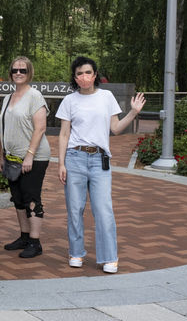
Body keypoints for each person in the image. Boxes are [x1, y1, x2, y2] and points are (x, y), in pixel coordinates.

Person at [56, 56, 145, 274]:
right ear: (74, 77)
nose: (83, 77)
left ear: (95, 74)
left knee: (103, 210)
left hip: (99, 160)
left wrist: (133, 112)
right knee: (74, 209)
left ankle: (109, 257)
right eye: (79, 74)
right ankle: (76, 252)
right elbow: (64, 134)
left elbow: (115, 128)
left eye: (88, 72)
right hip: (74, 158)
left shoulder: (106, 97)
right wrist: (61, 163)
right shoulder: (69, 101)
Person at [0, 56, 50, 258]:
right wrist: (2, 155)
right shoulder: (7, 98)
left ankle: (35, 242)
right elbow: (4, 129)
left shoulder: (34, 96)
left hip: (33, 158)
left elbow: (40, 128)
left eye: (23, 70)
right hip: (12, 158)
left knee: (31, 198)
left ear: (29, 73)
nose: (18, 73)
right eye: (14, 70)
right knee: (18, 199)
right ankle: (24, 236)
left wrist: (29, 156)